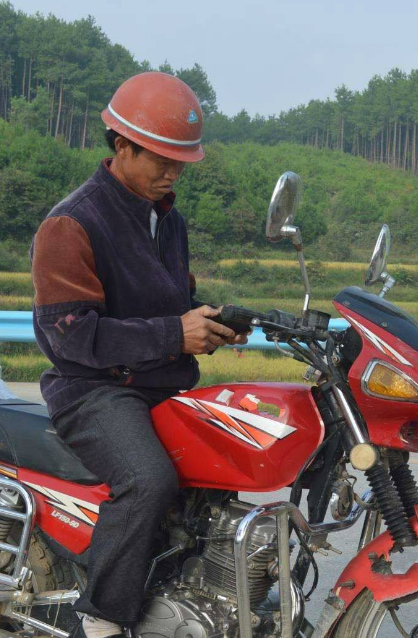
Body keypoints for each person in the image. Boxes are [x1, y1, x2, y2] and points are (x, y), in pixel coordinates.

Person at [30, 72, 246, 638]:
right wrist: (174, 335)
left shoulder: (167, 220)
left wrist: (215, 321)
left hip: (161, 385)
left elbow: (172, 303)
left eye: (181, 162)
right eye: (161, 159)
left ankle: (191, 603)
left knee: (221, 472)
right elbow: (71, 337)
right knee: (148, 480)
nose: (173, 172)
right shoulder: (71, 222)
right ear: (121, 145)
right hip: (95, 391)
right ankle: (101, 619)